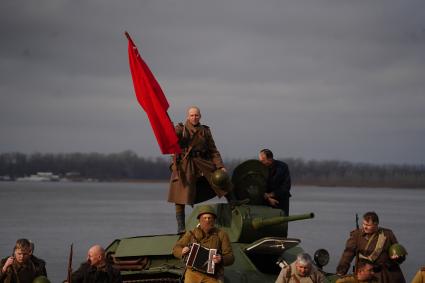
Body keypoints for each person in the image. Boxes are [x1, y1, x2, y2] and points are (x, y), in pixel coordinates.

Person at [169, 106, 242, 233]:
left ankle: (233, 203)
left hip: (203, 162)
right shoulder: (182, 129)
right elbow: (173, 136)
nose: (194, 117)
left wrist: (220, 166)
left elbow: (213, 150)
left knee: (221, 178)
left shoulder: (205, 131)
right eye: (192, 115)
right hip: (186, 164)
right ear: (188, 116)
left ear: (200, 116)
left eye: (196, 115)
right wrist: (168, 128)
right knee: (179, 195)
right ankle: (181, 226)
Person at [336, 212, 406, 283]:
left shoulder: (387, 234)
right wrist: (341, 271)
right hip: (365, 275)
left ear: (376, 224)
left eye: (368, 225)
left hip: (386, 275)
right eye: (363, 224)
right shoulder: (357, 235)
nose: (364, 227)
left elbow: (398, 253)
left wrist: (398, 258)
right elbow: (347, 254)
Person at [173, 205, 235, 283]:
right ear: (199, 220)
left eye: (210, 218)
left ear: (214, 220)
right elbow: (176, 248)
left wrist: (221, 259)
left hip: (212, 275)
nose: (207, 220)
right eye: (204, 218)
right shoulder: (191, 233)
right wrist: (182, 251)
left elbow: (230, 257)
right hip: (192, 273)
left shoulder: (221, 235)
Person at [258, 149, 291, 216]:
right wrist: (268, 198)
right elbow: (257, 186)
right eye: (260, 160)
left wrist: (272, 194)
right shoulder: (259, 168)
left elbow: (286, 186)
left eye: (263, 160)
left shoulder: (282, 167)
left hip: (281, 200)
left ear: (270, 159)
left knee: (281, 221)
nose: (260, 162)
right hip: (265, 201)